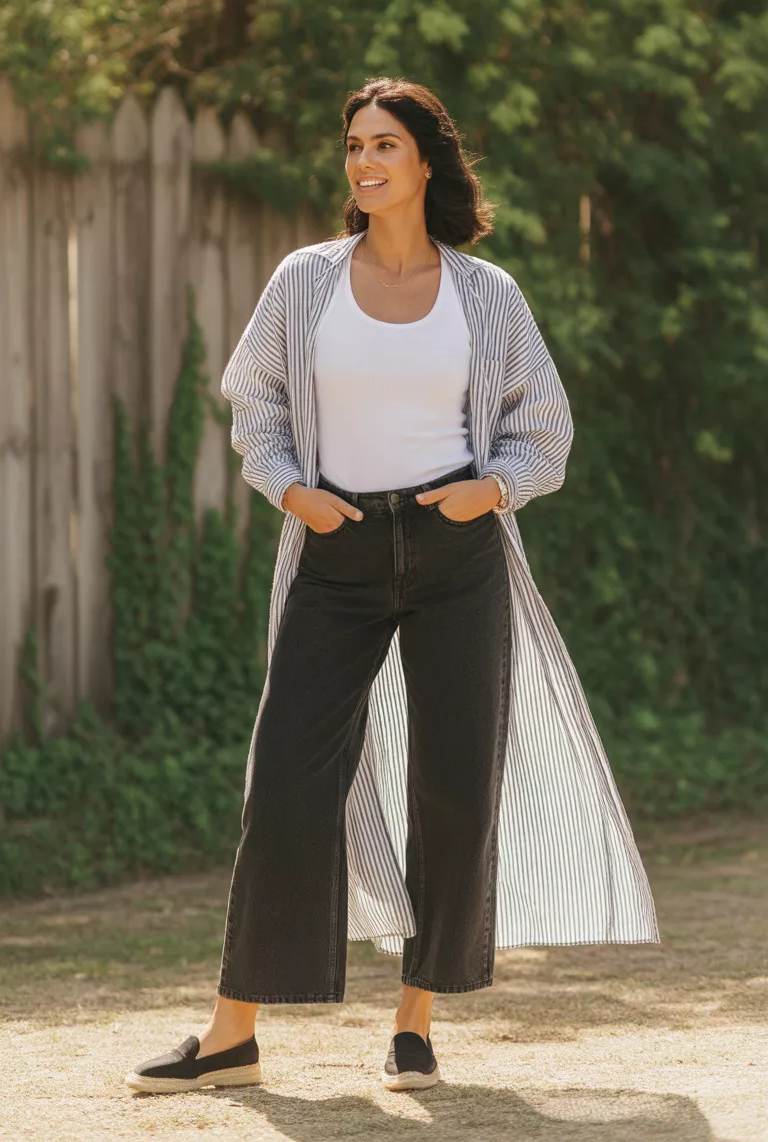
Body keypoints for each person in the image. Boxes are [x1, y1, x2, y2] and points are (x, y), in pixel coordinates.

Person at [125, 76, 659, 1097]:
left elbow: (541, 423)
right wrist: (293, 494)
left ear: (425, 162)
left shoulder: (488, 294)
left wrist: (492, 488)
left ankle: (414, 1020)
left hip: (459, 553)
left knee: (453, 788)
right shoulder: (305, 281)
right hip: (337, 547)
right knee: (285, 780)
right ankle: (233, 1031)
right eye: (353, 146)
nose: (364, 163)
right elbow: (257, 404)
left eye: (384, 145)